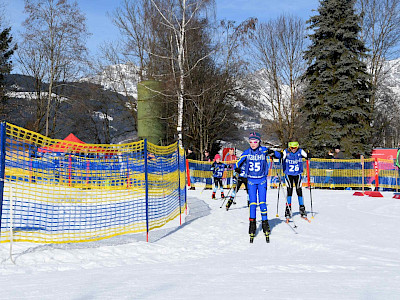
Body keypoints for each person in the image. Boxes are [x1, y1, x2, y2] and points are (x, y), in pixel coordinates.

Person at [235, 132, 281, 243]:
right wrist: (237, 169)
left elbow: (279, 156)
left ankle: (265, 224)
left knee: (262, 203)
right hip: (251, 181)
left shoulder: (264, 150)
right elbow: (237, 164)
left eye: (255, 142)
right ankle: (252, 225)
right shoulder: (246, 153)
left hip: (262, 180)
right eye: (250, 142)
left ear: (259, 141)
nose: (253, 144)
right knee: (252, 203)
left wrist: (273, 153)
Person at [281, 141, 310, 220]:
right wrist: (279, 157)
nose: (293, 149)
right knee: (289, 191)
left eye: (295, 148)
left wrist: (308, 155)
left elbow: (306, 155)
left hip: (298, 174)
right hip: (288, 174)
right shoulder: (286, 152)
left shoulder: (300, 151)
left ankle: (302, 208)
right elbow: (282, 157)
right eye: (292, 148)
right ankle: (288, 209)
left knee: (299, 191)